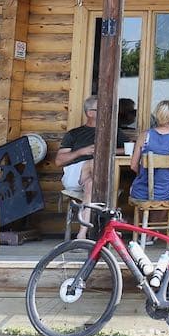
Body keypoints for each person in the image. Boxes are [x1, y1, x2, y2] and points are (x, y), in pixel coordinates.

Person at [55, 95, 99, 239]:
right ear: (90, 113)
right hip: (73, 177)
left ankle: (82, 233)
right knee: (93, 163)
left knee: (91, 185)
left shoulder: (112, 132)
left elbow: (126, 149)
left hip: (94, 179)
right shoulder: (74, 134)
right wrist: (82, 151)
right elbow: (59, 161)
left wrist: (103, 150)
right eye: (101, 109)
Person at [129, 99, 169, 201]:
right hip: (168, 193)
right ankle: (158, 218)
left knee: (143, 202)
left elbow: (133, 166)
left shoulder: (144, 136)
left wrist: (145, 175)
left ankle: (145, 217)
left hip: (141, 192)